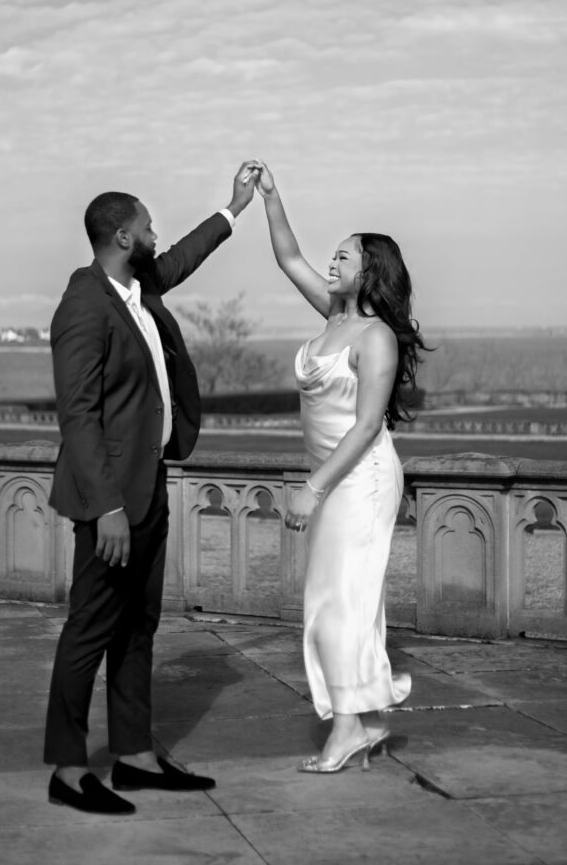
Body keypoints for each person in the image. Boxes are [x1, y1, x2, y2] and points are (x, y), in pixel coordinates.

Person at [44, 163, 259, 814]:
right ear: (119, 235)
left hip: (150, 488)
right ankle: (67, 767)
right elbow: (77, 416)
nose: (155, 236)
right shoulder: (84, 305)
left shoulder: (138, 288)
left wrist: (233, 208)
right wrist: (106, 506)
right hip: (111, 500)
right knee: (89, 628)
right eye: (146, 228)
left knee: (138, 627)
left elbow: (182, 258)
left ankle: (134, 756)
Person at [253, 160, 426, 774]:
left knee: (339, 599)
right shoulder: (332, 316)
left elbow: (368, 424)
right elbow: (288, 256)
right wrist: (272, 196)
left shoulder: (375, 336)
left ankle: (349, 727)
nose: (332, 263)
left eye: (345, 258)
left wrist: (312, 488)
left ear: (370, 271)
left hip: (361, 476)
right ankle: (358, 720)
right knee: (329, 598)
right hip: (329, 477)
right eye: (335, 255)